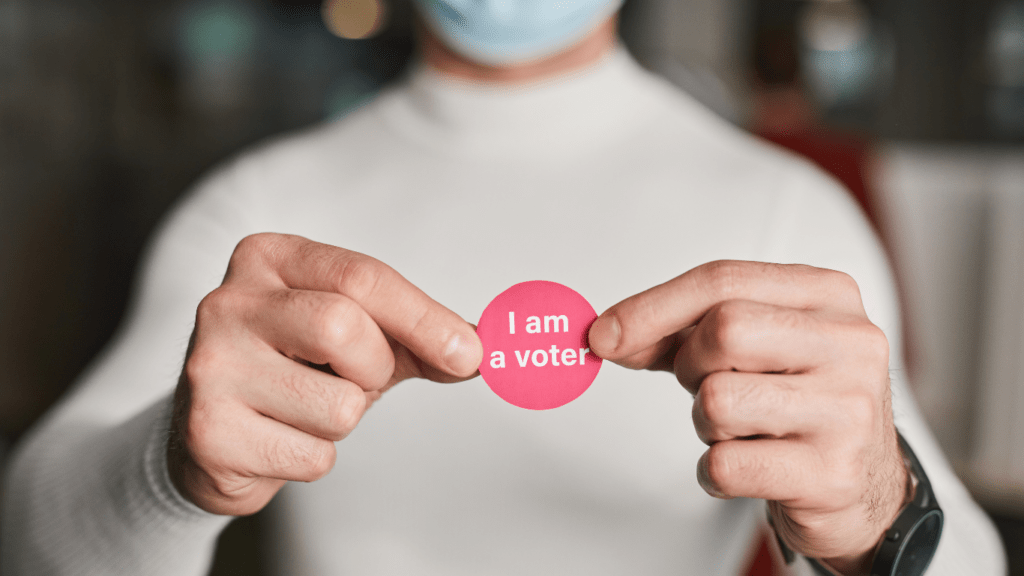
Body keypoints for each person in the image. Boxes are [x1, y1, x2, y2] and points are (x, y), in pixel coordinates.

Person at [1, 1, 1006, 575]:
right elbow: (31, 534)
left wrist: (882, 508)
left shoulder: (785, 212)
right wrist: (172, 468)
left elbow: (964, 558)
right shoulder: (257, 207)